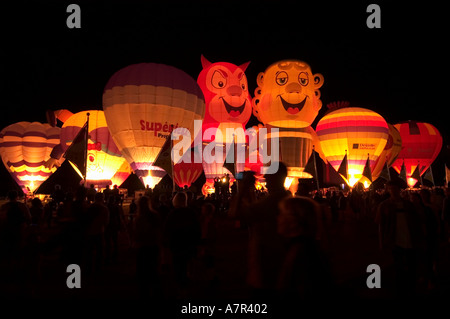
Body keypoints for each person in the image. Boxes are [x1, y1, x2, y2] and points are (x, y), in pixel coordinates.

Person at [239, 162, 290, 299]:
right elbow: (256, 209)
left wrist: (243, 187)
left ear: (275, 177)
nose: (265, 177)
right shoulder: (284, 199)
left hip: (266, 268)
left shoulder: (273, 201)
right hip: (273, 266)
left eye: (269, 174)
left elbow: (235, 213)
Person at [277, 196, 334, 300]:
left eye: (282, 214)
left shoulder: (301, 254)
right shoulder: (305, 247)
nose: (278, 218)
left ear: (294, 221)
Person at [376, 179, 423, 297]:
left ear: (399, 189)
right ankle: (401, 290)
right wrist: (381, 242)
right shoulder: (384, 206)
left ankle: (411, 288)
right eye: (391, 188)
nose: (393, 191)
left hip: (410, 239)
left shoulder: (408, 205)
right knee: (398, 268)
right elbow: (381, 225)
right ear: (388, 190)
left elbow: (417, 222)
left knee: (412, 266)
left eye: (395, 188)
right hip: (394, 240)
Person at [163, 192, 201, 296]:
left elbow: (167, 229)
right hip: (189, 243)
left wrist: (166, 242)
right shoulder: (191, 213)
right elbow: (197, 228)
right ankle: (188, 284)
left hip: (177, 245)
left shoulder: (173, 214)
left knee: (178, 265)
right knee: (188, 263)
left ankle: (181, 285)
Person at [133, 195, 163, 298]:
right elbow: (159, 232)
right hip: (153, 246)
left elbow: (136, 234)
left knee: (142, 271)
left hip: (142, 247)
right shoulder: (154, 216)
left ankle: (144, 293)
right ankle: (157, 292)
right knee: (154, 270)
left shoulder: (138, 218)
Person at [85, 192, 109, 276]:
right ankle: (98, 269)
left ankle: (88, 268)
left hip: (89, 232)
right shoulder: (104, 208)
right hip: (99, 232)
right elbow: (106, 222)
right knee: (99, 251)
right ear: (102, 198)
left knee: (89, 251)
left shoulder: (89, 207)